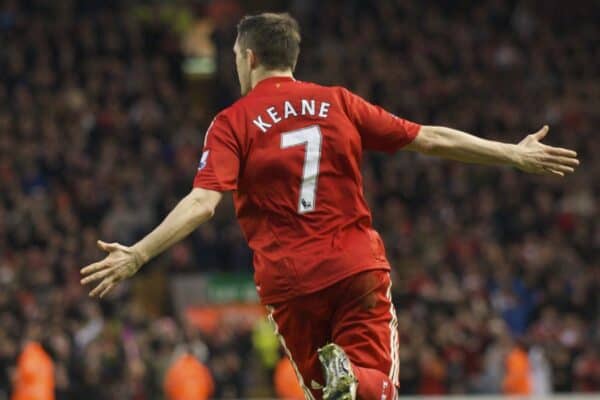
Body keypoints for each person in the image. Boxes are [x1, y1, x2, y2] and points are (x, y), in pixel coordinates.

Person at [80, 12, 579, 400]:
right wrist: (511, 152)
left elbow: (203, 203)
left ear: (250, 57)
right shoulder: (338, 101)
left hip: (289, 281)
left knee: (326, 392)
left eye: (234, 55)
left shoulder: (233, 121)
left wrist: (139, 255)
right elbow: (428, 138)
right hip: (354, 265)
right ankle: (357, 380)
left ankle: (345, 378)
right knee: (373, 386)